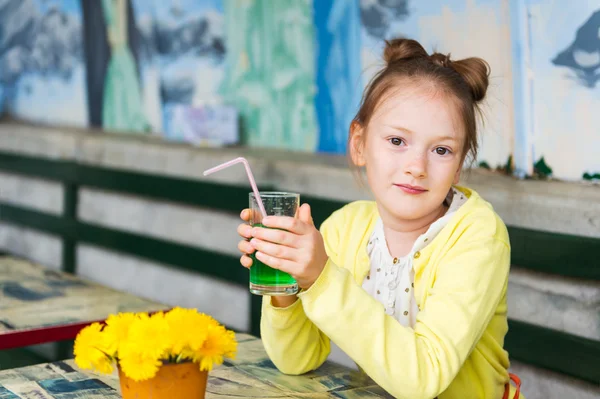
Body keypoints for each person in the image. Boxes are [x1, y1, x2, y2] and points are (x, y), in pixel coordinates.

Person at [237, 38, 522, 399]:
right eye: (397, 141)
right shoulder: (346, 228)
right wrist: (290, 284)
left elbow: (424, 379)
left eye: (441, 150)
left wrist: (322, 277)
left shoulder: (476, 234)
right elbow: (296, 360)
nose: (416, 167)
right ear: (360, 143)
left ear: (459, 165)